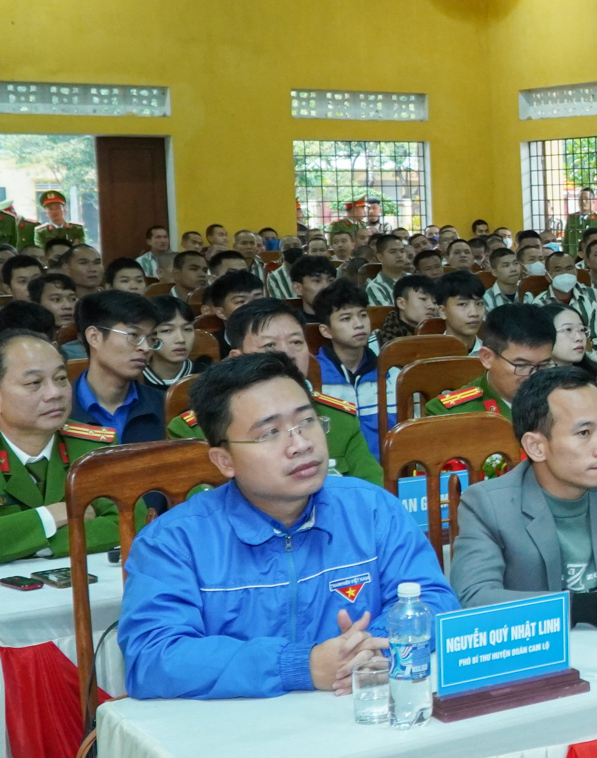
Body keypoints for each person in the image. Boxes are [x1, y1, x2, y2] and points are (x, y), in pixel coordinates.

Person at [118, 353, 458, 700]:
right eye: (270, 433)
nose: (301, 444)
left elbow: (434, 601)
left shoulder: (372, 509)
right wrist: (299, 665)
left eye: (307, 421)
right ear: (224, 461)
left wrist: (373, 646)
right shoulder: (172, 542)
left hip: (353, 715)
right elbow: (152, 656)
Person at [449, 366, 597, 621]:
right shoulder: (489, 504)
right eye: (584, 433)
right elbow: (474, 598)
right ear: (536, 447)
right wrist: (589, 607)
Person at [171, 300, 382, 483]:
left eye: (296, 342)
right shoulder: (194, 431)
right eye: (270, 345)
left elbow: (374, 497)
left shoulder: (340, 420)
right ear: (237, 358)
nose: (286, 354)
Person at [0, 330, 124, 563]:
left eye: (60, 378)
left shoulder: (94, 447)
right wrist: (49, 517)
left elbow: (128, 521)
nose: (55, 393)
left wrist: (34, 544)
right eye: (34, 383)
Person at [424, 303, 555, 420]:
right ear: (487, 357)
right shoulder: (449, 414)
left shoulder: (562, 399)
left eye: (544, 365)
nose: (534, 377)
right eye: (522, 365)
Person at [71, 291, 168, 443]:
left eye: (151, 339)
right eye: (134, 335)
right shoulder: (58, 409)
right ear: (94, 337)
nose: (146, 348)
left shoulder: (165, 404)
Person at [312, 281, 380, 454]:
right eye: (346, 318)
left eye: (363, 315)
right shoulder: (312, 377)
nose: (359, 324)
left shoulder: (391, 374)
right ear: (326, 331)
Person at [523, 254, 597, 358]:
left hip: (587, 360)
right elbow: (539, 343)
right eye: (558, 270)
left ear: (575, 272)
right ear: (548, 276)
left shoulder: (589, 302)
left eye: (569, 268)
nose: (565, 274)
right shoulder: (539, 306)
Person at [143, 295, 207, 390]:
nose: (181, 339)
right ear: (148, 335)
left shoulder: (206, 377)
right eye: (167, 330)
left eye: (187, 329)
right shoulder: (134, 378)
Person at [434, 270, 487, 354]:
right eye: (463, 304)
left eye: (479, 303)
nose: (474, 313)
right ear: (442, 311)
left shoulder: (494, 355)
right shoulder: (429, 356)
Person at [286, 255, 338, 322]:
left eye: (331, 281)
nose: (326, 286)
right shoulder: (292, 323)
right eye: (317, 280)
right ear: (297, 288)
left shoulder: (345, 319)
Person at [562, 187, 597, 255]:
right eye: (581, 199)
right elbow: (566, 242)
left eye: (586, 199)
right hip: (574, 258)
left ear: (593, 201)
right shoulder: (571, 219)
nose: (583, 202)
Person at [364, 235, 410, 306]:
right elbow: (387, 315)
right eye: (393, 252)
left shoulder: (415, 280)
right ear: (380, 257)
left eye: (402, 251)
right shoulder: (375, 287)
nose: (399, 255)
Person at [483, 244, 522, 309]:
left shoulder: (527, 292)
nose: (513, 269)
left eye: (516, 263)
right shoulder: (486, 299)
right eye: (506, 265)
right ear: (494, 272)